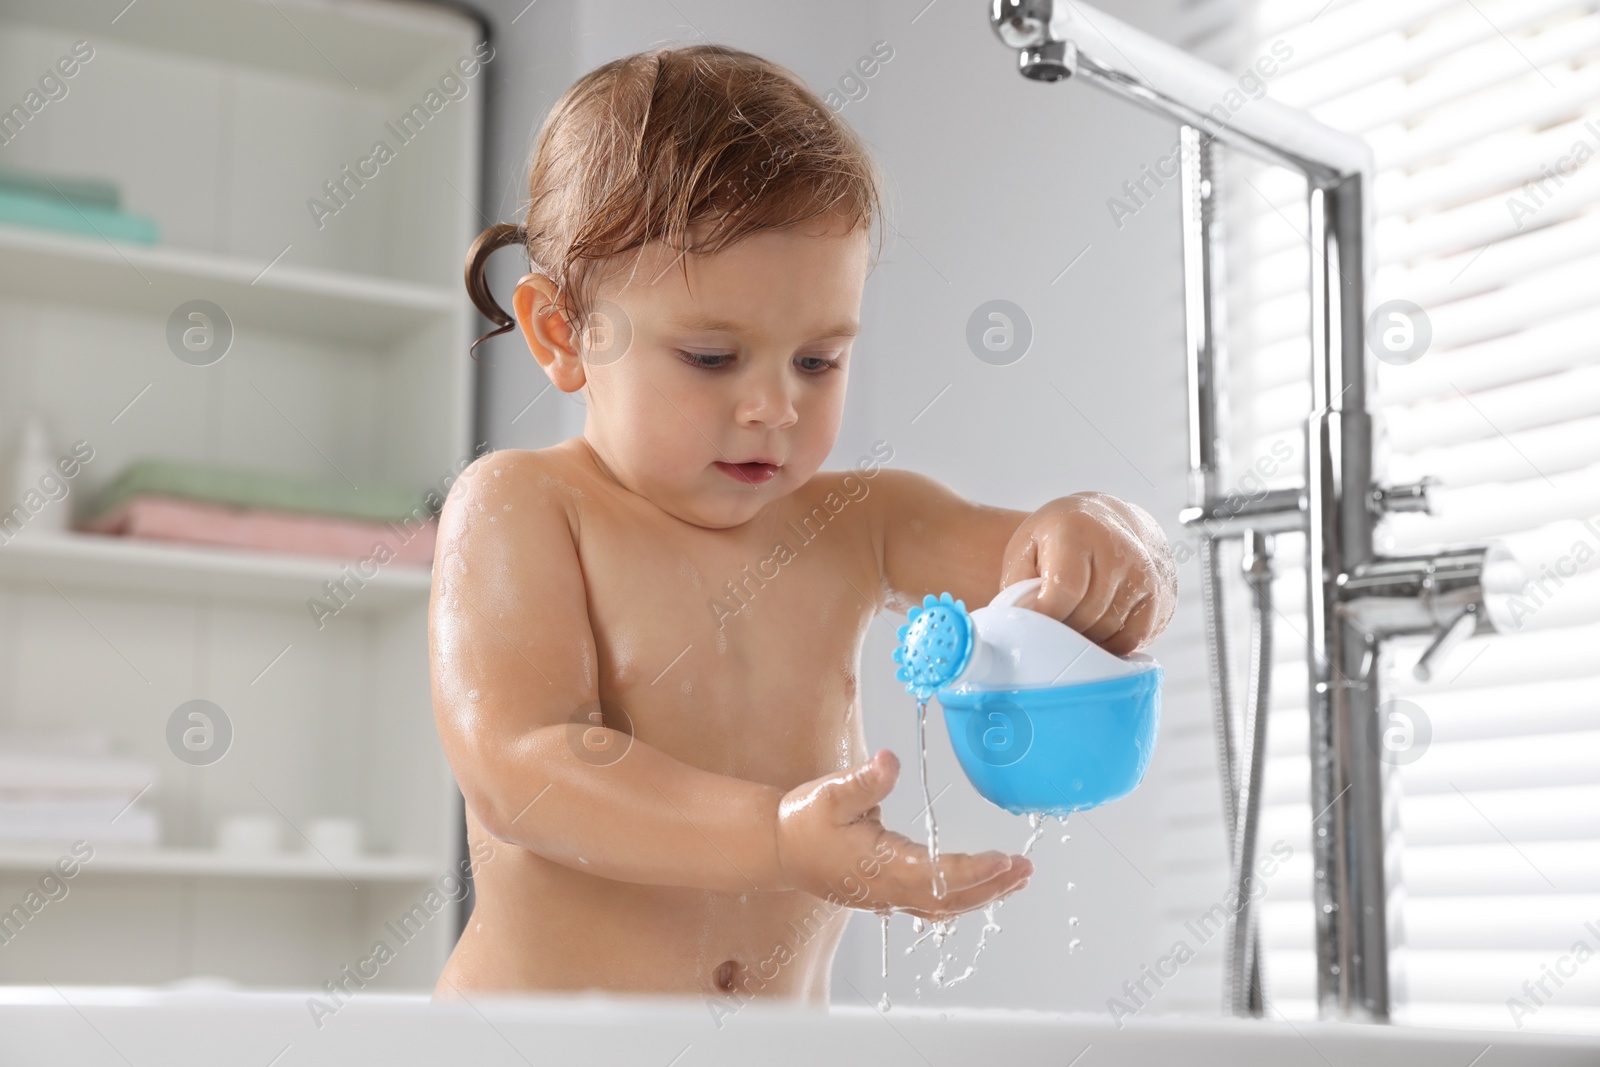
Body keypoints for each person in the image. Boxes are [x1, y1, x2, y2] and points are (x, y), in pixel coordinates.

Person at [431, 43, 1177, 1004]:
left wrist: (1109, 534)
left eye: (818, 361)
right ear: (561, 335)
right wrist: (776, 836)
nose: (773, 408)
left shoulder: (858, 521)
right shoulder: (527, 508)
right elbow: (521, 767)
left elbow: (1045, 556)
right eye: (711, 357)